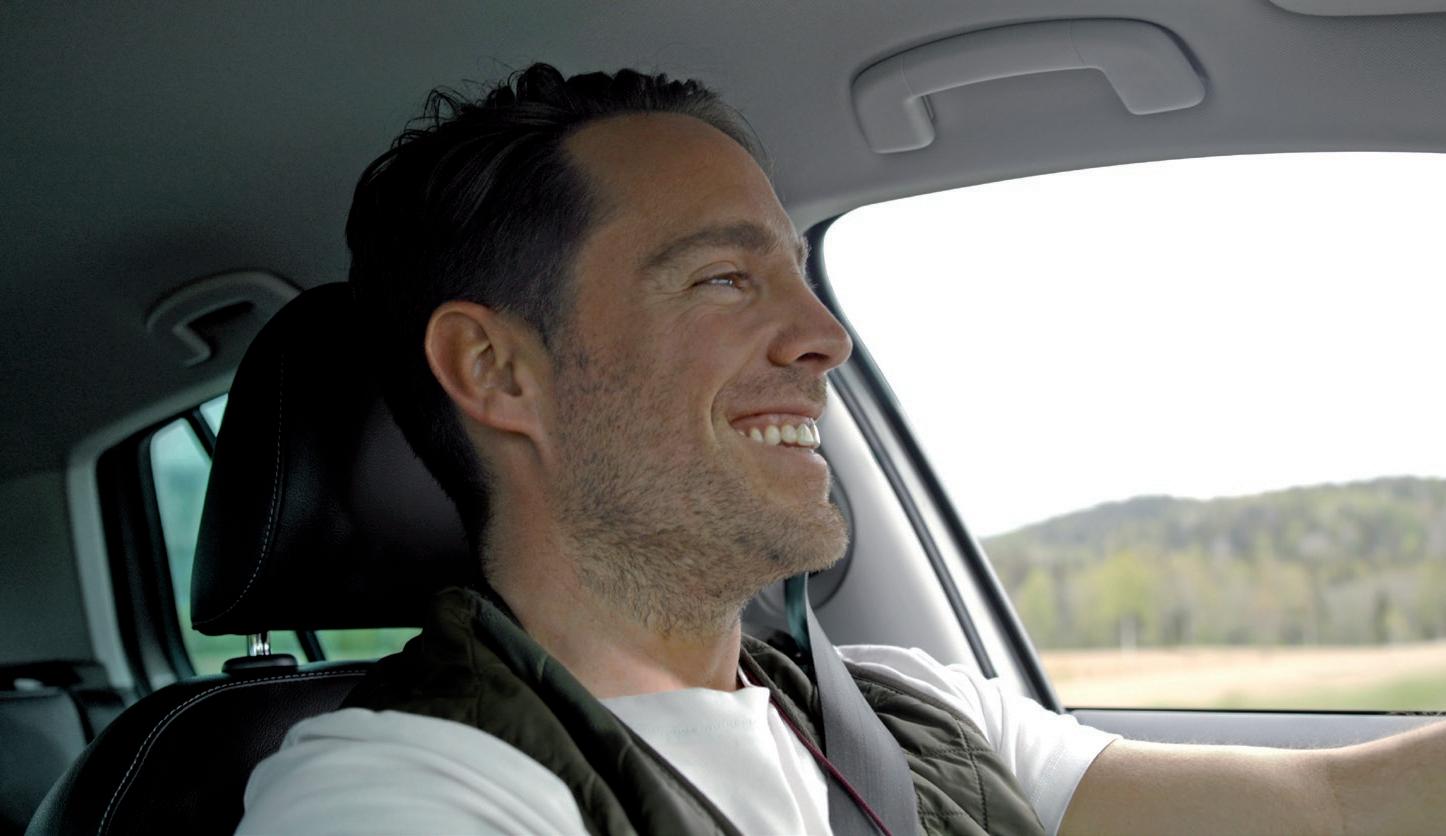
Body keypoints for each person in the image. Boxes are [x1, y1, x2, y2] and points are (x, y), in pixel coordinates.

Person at [238, 64, 1445, 835]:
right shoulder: (403, 788)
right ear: (499, 370)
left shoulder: (913, 712)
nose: (827, 336)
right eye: (723, 278)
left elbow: (1331, 804)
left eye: (799, 274)